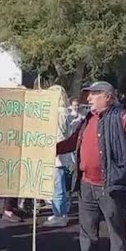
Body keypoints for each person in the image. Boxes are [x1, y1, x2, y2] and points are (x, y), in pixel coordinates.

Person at [56, 81, 126, 251]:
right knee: (87, 234)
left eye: (93, 94)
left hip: (111, 186)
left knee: (117, 232)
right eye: (89, 95)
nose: (88, 98)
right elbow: (72, 142)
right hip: (86, 185)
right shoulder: (88, 119)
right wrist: (49, 149)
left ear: (107, 96)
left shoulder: (120, 116)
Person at [44, 85, 74, 228]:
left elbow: (59, 135)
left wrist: (52, 149)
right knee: (59, 186)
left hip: (57, 155)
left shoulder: (58, 113)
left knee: (58, 187)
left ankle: (60, 215)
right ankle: (59, 212)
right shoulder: (64, 112)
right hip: (61, 155)